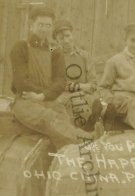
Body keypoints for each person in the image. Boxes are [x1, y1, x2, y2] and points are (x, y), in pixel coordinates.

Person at [10, 7, 96, 149]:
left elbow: (60, 82)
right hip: (25, 101)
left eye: (48, 25)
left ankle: (67, 160)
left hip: (47, 100)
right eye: (41, 25)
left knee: (63, 119)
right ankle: (88, 140)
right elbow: (21, 82)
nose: (44, 29)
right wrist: (41, 95)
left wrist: (43, 96)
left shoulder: (55, 50)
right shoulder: (21, 47)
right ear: (31, 25)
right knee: (48, 118)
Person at [99, 23, 135, 132]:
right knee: (134, 104)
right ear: (125, 40)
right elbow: (103, 88)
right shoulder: (114, 61)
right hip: (123, 101)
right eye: (133, 40)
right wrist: (112, 102)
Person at [53, 19, 102, 132]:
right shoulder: (54, 57)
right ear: (56, 41)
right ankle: (87, 128)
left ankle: (95, 122)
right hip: (64, 96)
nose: (66, 40)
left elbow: (93, 84)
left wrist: (84, 88)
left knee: (91, 101)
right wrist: (79, 86)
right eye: (61, 38)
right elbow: (57, 84)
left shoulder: (85, 56)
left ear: (72, 35)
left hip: (85, 94)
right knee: (75, 104)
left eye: (68, 36)